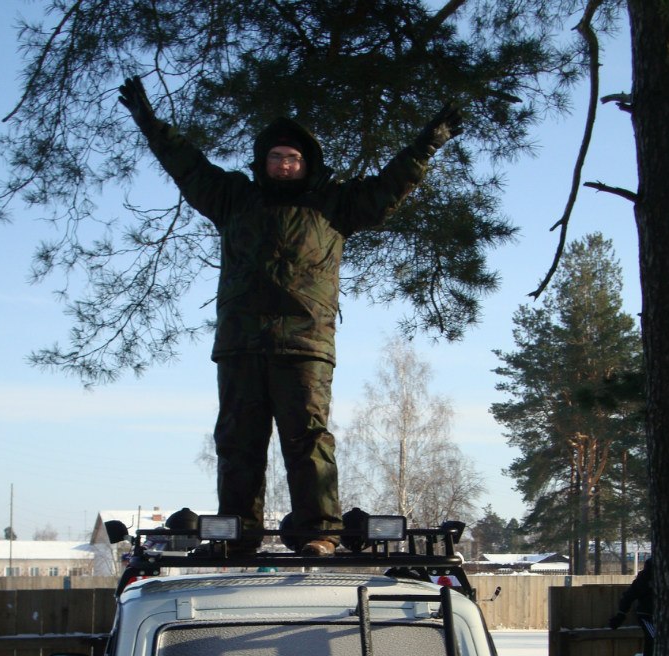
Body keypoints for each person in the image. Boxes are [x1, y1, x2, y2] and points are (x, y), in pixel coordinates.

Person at [118, 76, 462, 556]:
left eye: (293, 158)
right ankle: (237, 533)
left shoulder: (334, 205)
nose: (284, 164)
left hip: (305, 345)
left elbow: (391, 184)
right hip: (241, 344)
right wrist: (151, 125)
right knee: (238, 444)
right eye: (277, 157)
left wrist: (428, 142)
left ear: (307, 164)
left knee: (309, 441)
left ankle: (319, 531)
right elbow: (187, 166)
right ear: (263, 163)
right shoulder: (233, 198)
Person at [609, 556, 654, 656]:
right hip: (647, 615)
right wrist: (621, 615)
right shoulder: (645, 578)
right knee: (656, 643)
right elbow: (629, 596)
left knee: (651, 647)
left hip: (658, 616)